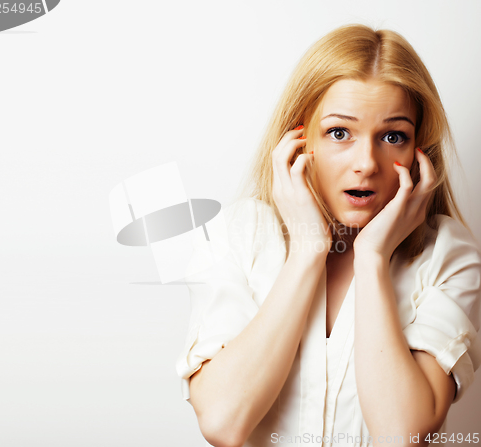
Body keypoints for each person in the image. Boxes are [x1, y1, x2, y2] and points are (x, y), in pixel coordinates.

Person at [176, 24, 481, 447]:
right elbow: (224, 423)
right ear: (301, 140)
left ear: (418, 151)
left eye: (393, 136)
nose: (366, 163)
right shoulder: (239, 234)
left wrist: (373, 258)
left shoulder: (447, 253)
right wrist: (307, 250)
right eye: (340, 132)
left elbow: (400, 434)